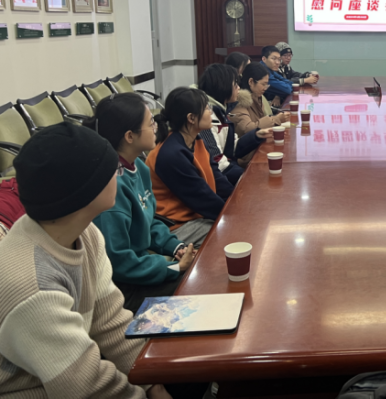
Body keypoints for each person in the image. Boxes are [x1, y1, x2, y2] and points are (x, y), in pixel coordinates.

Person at [0, 123, 172, 398]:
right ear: (85, 192)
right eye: (114, 170)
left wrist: (153, 382)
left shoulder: (85, 233)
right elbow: (86, 388)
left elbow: (111, 323)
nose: (119, 175)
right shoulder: (34, 289)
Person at [83, 93, 198, 315]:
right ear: (130, 136)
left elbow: (149, 220)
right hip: (123, 290)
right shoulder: (111, 188)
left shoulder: (139, 168)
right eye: (150, 123)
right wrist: (172, 267)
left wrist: (175, 247)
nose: (156, 127)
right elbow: (118, 262)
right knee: (197, 285)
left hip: (143, 268)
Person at [146, 87, 233, 246]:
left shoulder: (197, 140)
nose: (210, 112)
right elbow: (202, 198)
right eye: (206, 108)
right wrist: (234, 214)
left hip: (195, 216)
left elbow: (216, 177)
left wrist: (237, 201)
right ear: (191, 118)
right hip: (173, 226)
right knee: (231, 229)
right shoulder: (170, 154)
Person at [198, 64, 271, 184]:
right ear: (223, 87)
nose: (239, 88)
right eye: (235, 84)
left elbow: (232, 146)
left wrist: (256, 135)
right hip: (218, 181)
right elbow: (219, 164)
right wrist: (249, 178)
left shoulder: (221, 111)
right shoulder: (206, 117)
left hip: (227, 172)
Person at [231, 63, 290, 165]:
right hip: (248, 155)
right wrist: (276, 119)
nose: (265, 88)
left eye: (267, 84)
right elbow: (247, 129)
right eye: (263, 84)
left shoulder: (257, 97)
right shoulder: (240, 101)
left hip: (257, 147)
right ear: (251, 81)